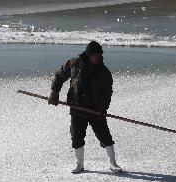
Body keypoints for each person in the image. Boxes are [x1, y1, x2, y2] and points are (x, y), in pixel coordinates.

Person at [48, 41, 122, 174]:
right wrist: (54, 91)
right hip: (77, 108)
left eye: (100, 54)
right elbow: (60, 75)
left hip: (96, 111)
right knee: (76, 137)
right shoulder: (74, 64)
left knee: (105, 136)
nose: (98, 57)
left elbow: (107, 93)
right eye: (95, 55)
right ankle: (79, 164)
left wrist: (102, 109)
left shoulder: (105, 73)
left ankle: (113, 163)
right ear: (89, 55)